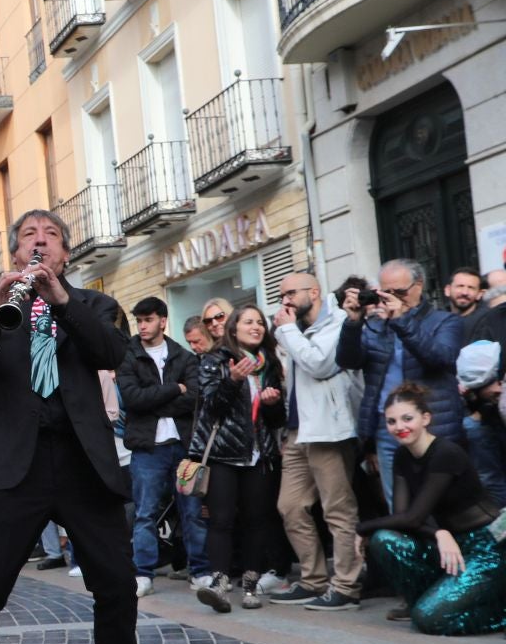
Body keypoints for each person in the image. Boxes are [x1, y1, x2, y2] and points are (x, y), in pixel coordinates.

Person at [0, 209, 177, 644]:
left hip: (83, 463)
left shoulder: (93, 305)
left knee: (116, 584)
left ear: (66, 254)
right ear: (15, 251)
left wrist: (61, 301)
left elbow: (110, 352)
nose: (40, 242)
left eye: (50, 235)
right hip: (13, 467)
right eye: (29, 235)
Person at [359, 383, 506, 635]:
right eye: (391, 421)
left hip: (487, 547)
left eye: (407, 419)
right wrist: (438, 533)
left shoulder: (445, 453)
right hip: (451, 544)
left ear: (425, 418)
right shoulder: (402, 456)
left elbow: (413, 517)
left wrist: (360, 528)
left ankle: (500, 611)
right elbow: (402, 518)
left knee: (430, 620)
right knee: (385, 539)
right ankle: (423, 602)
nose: (399, 427)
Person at [269, 271, 369, 610]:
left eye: (290, 293)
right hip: (298, 431)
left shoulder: (338, 321)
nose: (285, 300)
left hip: (328, 429)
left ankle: (346, 586)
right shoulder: (294, 329)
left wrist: (285, 331)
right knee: (290, 506)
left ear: (314, 291)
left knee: (338, 509)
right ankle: (312, 580)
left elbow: (320, 364)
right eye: (281, 294)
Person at [338, 258, 466, 506]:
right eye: (386, 292)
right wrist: (353, 323)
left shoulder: (445, 321)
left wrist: (401, 320)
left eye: (399, 292)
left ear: (419, 286)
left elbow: (440, 358)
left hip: (434, 427)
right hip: (388, 431)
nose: (391, 297)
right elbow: (348, 360)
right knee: (399, 506)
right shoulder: (375, 326)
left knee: (442, 504)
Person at [190, 305, 288, 612]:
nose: (256, 327)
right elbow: (211, 406)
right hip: (223, 454)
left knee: (256, 522)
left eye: (260, 322)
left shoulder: (268, 362)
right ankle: (219, 586)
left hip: (260, 456)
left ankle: (249, 586)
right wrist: (231, 380)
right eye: (249, 322)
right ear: (234, 329)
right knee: (220, 521)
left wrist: (272, 404)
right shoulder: (215, 361)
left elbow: (275, 420)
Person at [117, 296, 202, 595]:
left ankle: (200, 571)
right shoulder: (129, 356)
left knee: (191, 510)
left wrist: (154, 399)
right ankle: (143, 573)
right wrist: (171, 390)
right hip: (147, 449)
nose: (142, 326)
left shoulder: (183, 356)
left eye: (148, 319)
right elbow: (132, 399)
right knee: (145, 513)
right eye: (139, 320)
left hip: (182, 446)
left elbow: (193, 397)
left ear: (163, 321)